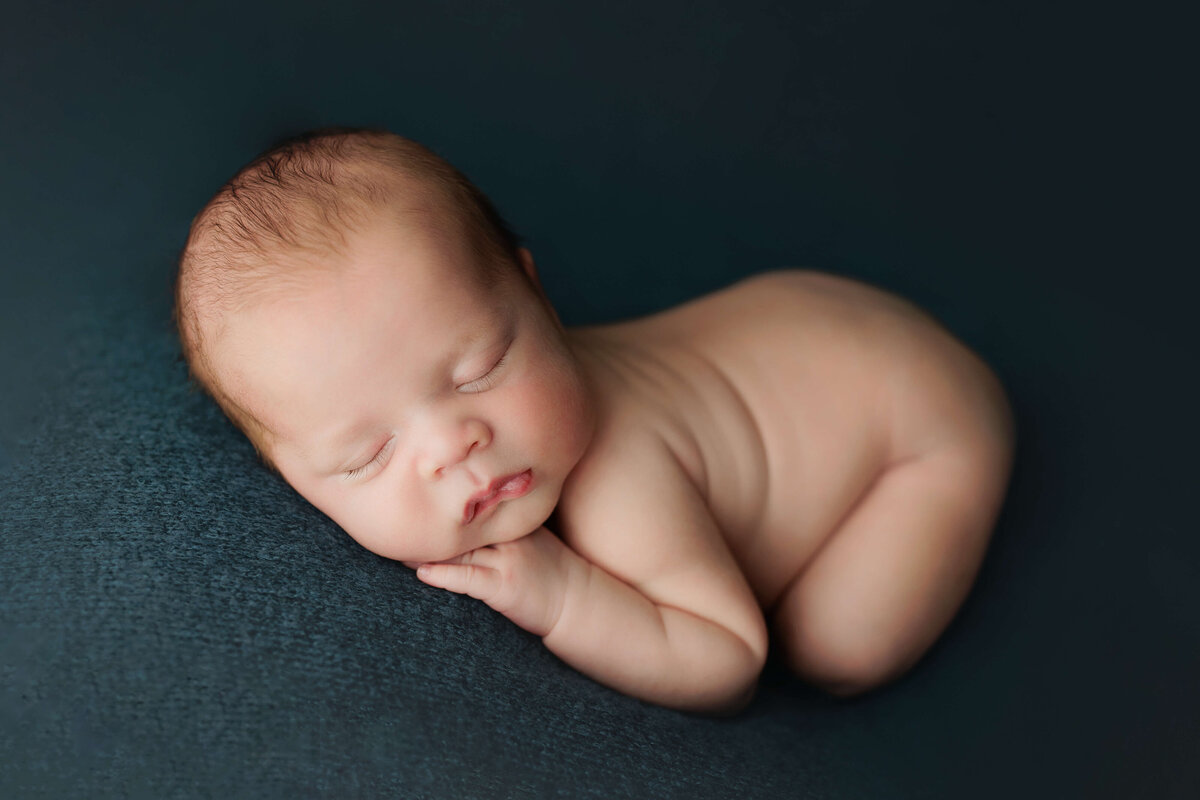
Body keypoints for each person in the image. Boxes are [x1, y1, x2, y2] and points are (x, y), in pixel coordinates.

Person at [174, 127, 1016, 713]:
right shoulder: (513, 400)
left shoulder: (620, 477)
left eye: (482, 368)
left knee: (838, 648)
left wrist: (567, 597)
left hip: (921, 415)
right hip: (800, 315)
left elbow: (728, 660)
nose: (450, 444)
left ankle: (970, 448)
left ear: (534, 292)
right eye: (366, 455)